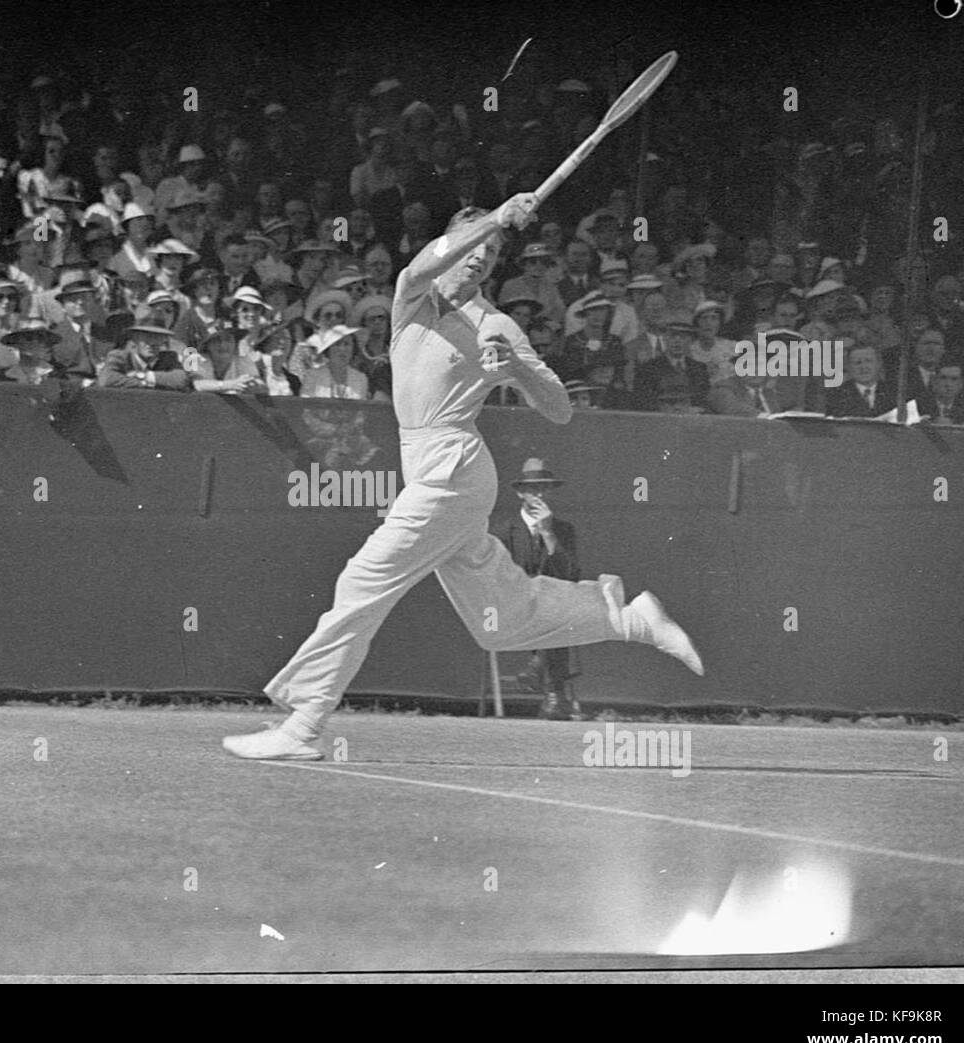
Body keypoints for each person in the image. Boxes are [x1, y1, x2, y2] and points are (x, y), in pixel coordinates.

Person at [222, 197, 703, 760]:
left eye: (494, 252)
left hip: (454, 470)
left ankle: (304, 725)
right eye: (475, 245)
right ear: (454, 243)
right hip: (428, 471)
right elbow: (419, 267)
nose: (483, 257)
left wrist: (518, 369)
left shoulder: (498, 324)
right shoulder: (413, 298)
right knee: (499, 624)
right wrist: (494, 219)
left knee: (361, 583)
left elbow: (559, 409)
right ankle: (624, 616)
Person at [492, 459, 583, 719]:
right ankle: (554, 690)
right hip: (514, 607)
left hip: (551, 609)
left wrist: (547, 534)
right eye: (533, 489)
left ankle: (540, 673)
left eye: (544, 488)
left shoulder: (563, 530)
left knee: (558, 609)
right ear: (521, 493)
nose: (540, 495)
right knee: (555, 612)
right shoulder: (504, 532)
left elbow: (570, 574)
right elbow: (499, 577)